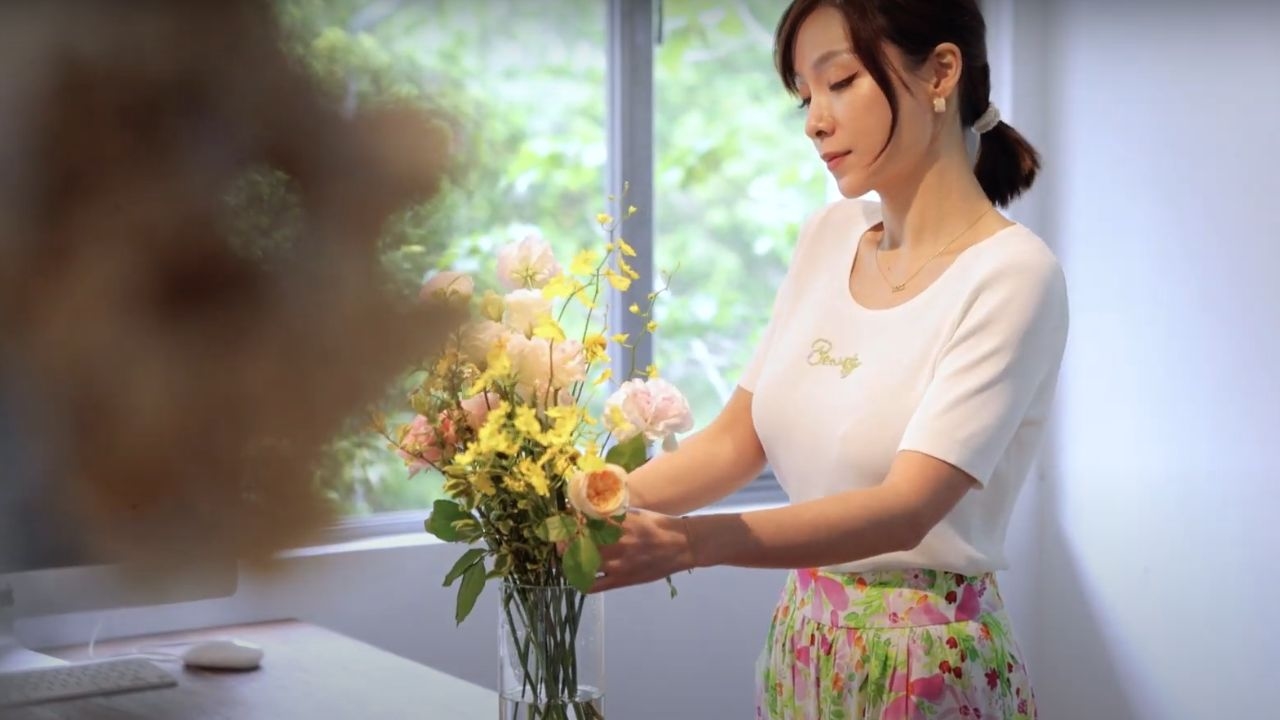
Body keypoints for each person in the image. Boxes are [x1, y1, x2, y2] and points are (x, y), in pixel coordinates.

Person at [591, 1, 1067, 718]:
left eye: (840, 82)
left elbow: (906, 509)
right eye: (805, 96)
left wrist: (689, 544)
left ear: (941, 72)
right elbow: (735, 441)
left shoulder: (1013, 275)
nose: (815, 121)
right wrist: (578, 501)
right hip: (803, 642)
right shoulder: (829, 235)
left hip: (925, 665)